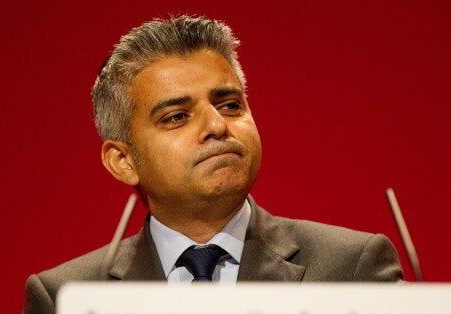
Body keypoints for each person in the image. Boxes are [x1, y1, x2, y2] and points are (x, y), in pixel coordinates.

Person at [24, 15, 403, 313]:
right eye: (176, 116)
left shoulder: (351, 268)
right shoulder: (69, 297)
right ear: (122, 161)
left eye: (230, 105)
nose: (217, 126)